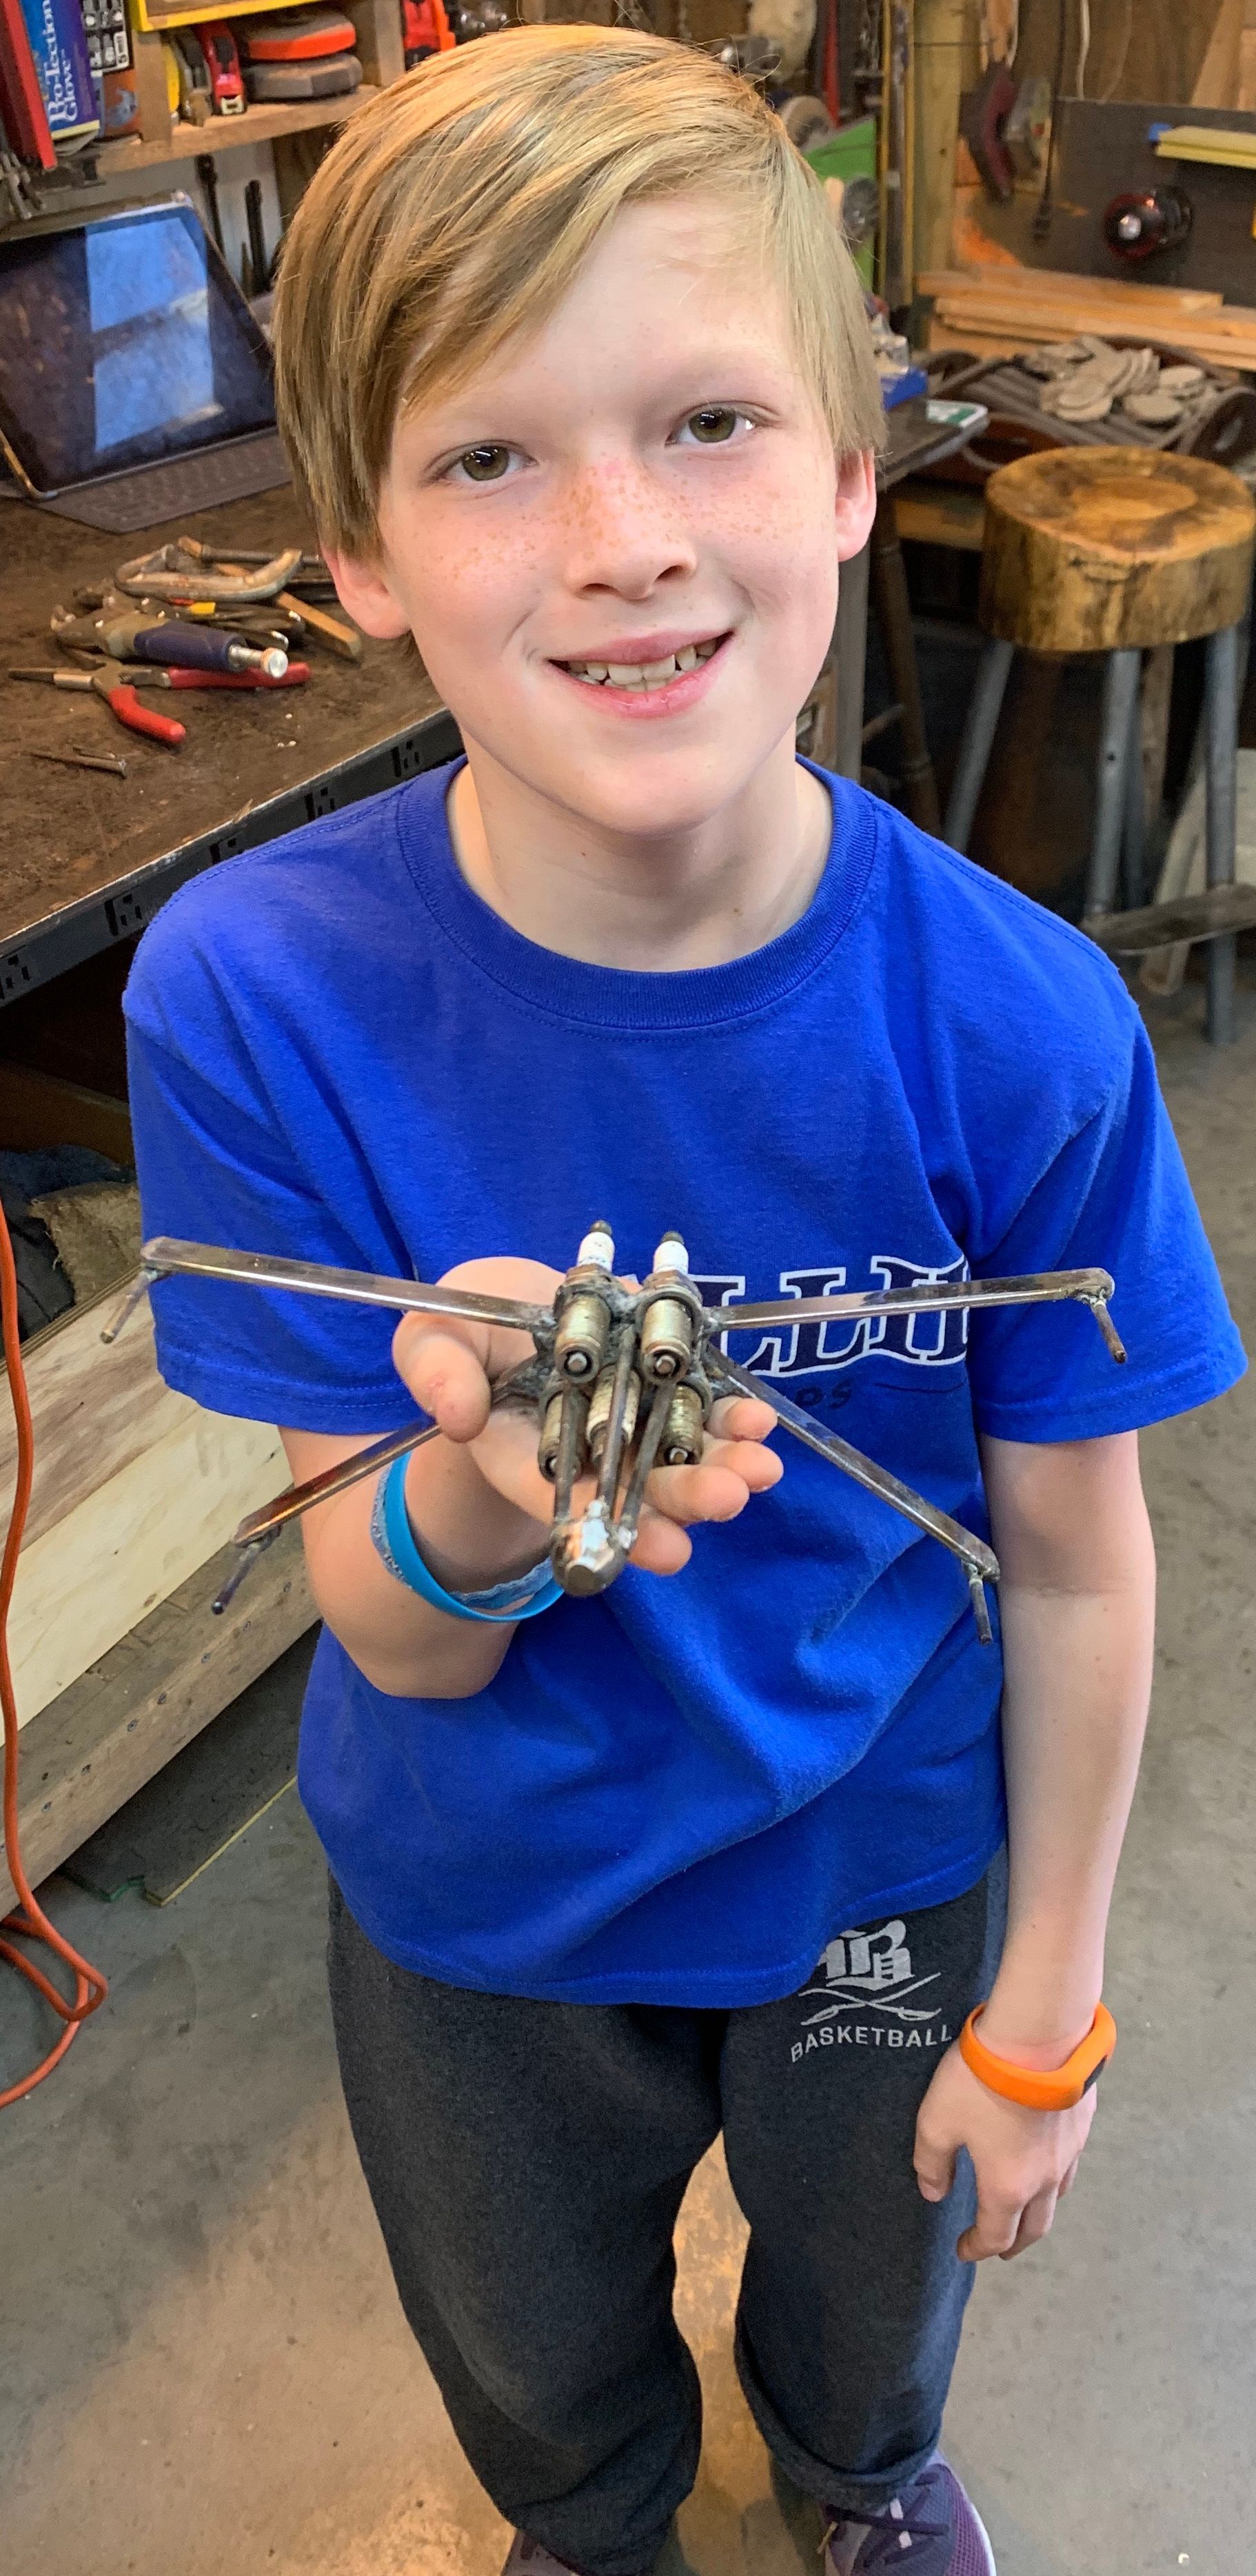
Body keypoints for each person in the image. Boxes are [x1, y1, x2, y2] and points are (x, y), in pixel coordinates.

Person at [123, 30, 1244, 2576]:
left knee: (876, 2294)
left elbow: (1072, 1559)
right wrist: (492, 1494)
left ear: (860, 464)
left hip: (874, 1859)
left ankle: (855, 2489)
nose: (623, 536)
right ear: (365, 554)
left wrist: (1046, 2003)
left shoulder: (1022, 1029)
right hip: (483, 1898)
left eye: (713, 419)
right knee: (528, 2339)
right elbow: (388, 1638)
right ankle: (595, 2525)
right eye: (488, 455)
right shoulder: (256, 996)